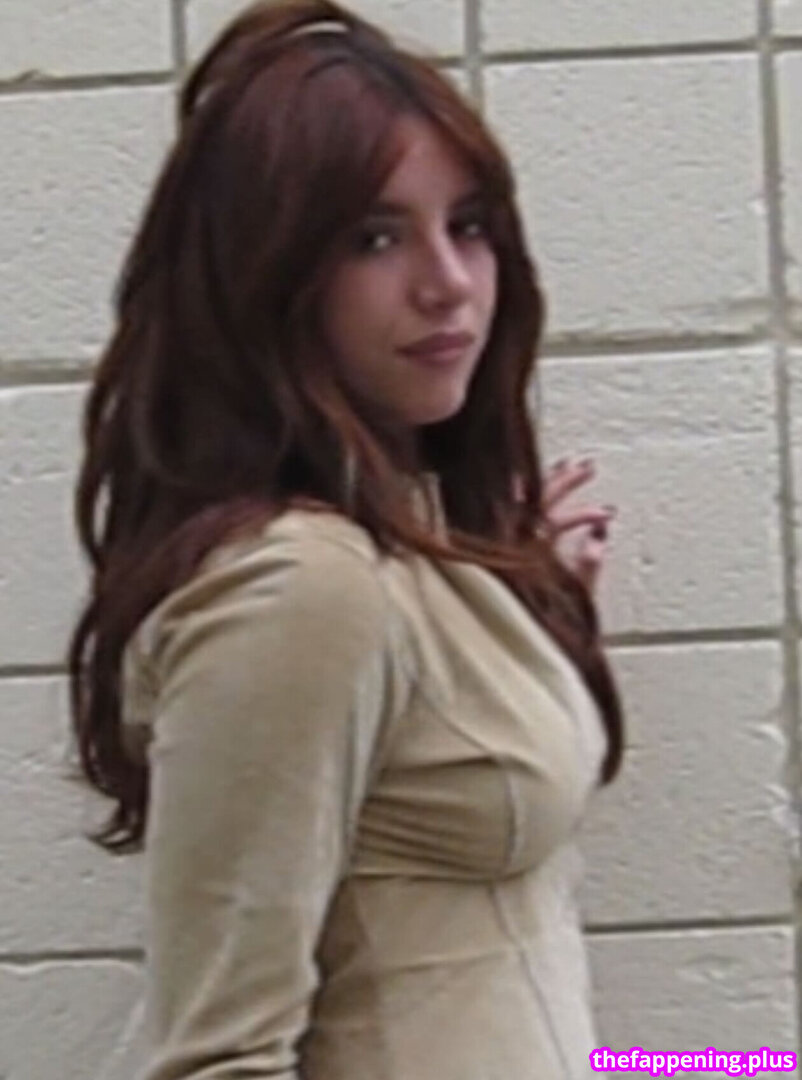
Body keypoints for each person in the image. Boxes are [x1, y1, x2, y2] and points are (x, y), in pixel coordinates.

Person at [67, 1, 625, 1077]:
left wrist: (523, 619)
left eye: (468, 225)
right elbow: (219, 1059)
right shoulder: (304, 587)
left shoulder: (407, 557)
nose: (446, 283)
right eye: (374, 238)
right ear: (265, 276)